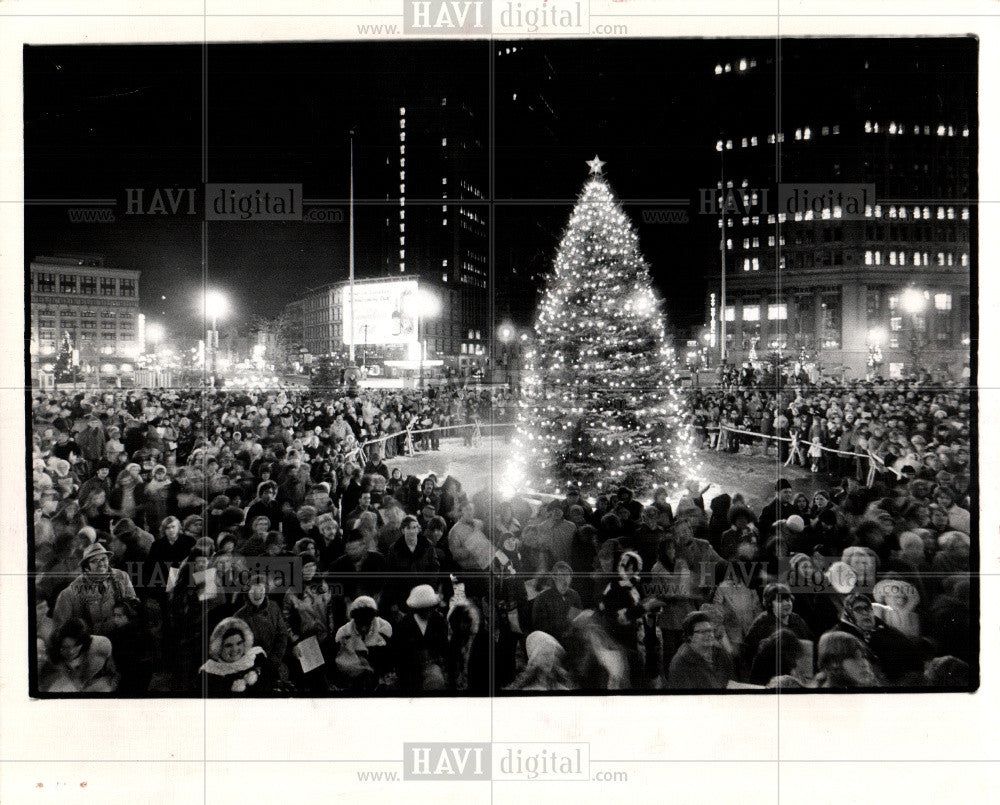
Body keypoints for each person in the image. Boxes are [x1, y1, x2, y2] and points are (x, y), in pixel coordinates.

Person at [39, 617, 119, 693]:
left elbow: (82, 682)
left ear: (83, 643)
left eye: (76, 645)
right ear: (59, 645)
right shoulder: (54, 653)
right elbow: (73, 681)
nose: (71, 651)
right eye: (65, 647)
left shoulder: (100, 647)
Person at [394, 584, 449, 693]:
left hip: (434, 670)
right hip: (410, 671)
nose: (427, 612)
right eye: (423, 609)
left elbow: (444, 647)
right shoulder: (405, 624)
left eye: (430, 608)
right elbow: (399, 653)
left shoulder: (439, 621)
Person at [334, 595, 393, 691]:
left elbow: (390, 657)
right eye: (360, 619)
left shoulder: (385, 629)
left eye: (368, 619)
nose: (364, 626)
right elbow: (341, 661)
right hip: (354, 680)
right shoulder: (343, 633)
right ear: (354, 618)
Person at [199, 617, 270, 696]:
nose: (235, 649)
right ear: (218, 648)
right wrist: (229, 689)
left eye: (239, 643)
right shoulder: (209, 672)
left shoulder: (256, 657)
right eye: (228, 645)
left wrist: (257, 674)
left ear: (245, 642)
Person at [666, 611, 736, 689]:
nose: (709, 635)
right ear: (690, 636)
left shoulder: (721, 654)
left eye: (710, 630)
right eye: (702, 632)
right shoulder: (681, 662)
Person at [530, 562, 582, 642]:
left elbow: (578, 619)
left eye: (567, 576)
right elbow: (539, 626)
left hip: (571, 639)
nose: (564, 580)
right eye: (561, 575)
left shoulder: (574, 595)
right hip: (550, 640)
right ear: (554, 578)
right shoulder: (543, 597)